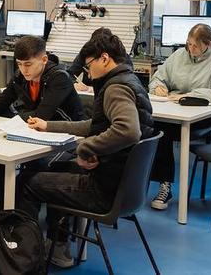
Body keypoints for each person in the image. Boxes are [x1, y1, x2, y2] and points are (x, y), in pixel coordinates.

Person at [19, 32, 154, 268]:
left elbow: (128, 131)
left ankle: (30, 254)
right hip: (125, 186)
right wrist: (49, 126)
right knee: (60, 167)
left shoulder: (116, 88)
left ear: (104, 58)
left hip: (104, 190)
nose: (87, 73)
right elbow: (96, 126)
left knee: (29, 182)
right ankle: (58, 244)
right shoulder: (130, 81)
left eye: (89, 66)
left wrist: (84, 148)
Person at [0, 35, 86, 212]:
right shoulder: (21, 77)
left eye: (28, 64)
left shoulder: (59, 78)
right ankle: (4, 204)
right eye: (19, 64)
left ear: (44, 59)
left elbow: (42, 115)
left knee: (34, 167)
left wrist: (11, 122)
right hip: (36, 134)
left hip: (67, 141)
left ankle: (24, 216)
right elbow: (2, 102)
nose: (24, 70)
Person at [147, 23, 211, 211]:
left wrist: (194, 95)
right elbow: (157, 77)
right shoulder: (178, 56)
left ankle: (165, 185)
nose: (191, 49)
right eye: (188, 44)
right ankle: (165, 184)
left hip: (201, 118)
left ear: (209, 44)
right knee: (155, 129)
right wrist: (157, 87)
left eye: (195, 45)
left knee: (163, 131)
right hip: (174, 111)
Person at [67, 27, 134, 92]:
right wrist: (74, 84)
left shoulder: (123, 58)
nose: (89, 75)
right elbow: (69, 74)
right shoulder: (86, 55)